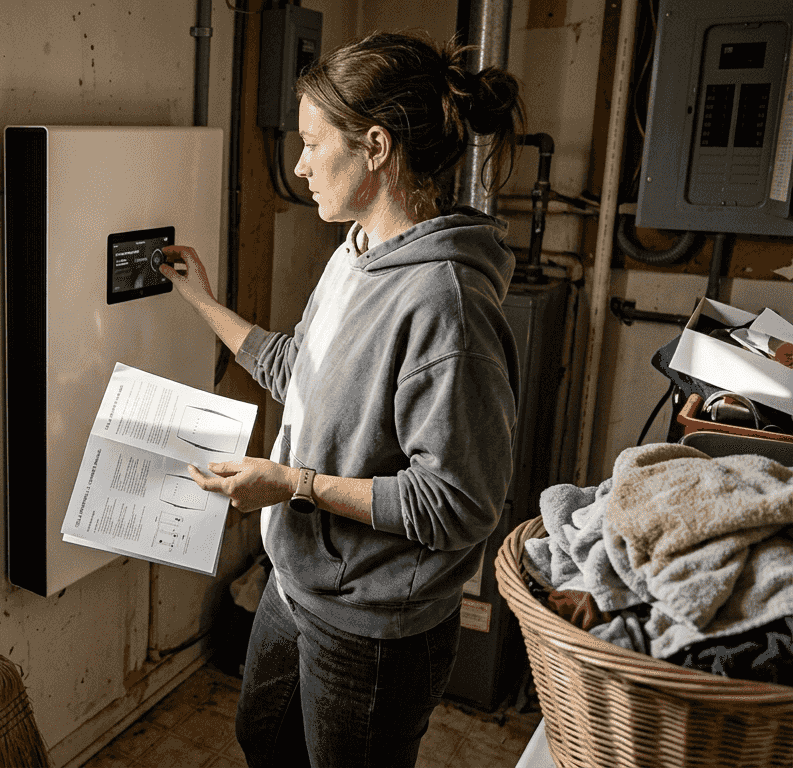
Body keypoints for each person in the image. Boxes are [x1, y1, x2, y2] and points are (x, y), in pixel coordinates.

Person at [158, 31, 525, 768]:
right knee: (264, 740)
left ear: (377, 147)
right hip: (297, 586)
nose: (298, 164)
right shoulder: (356, 253)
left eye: (311, 141)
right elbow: (305, 370)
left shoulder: (445, 304)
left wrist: (294, 485)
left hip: (376, 627)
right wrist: (202, 302)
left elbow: (457, 504)